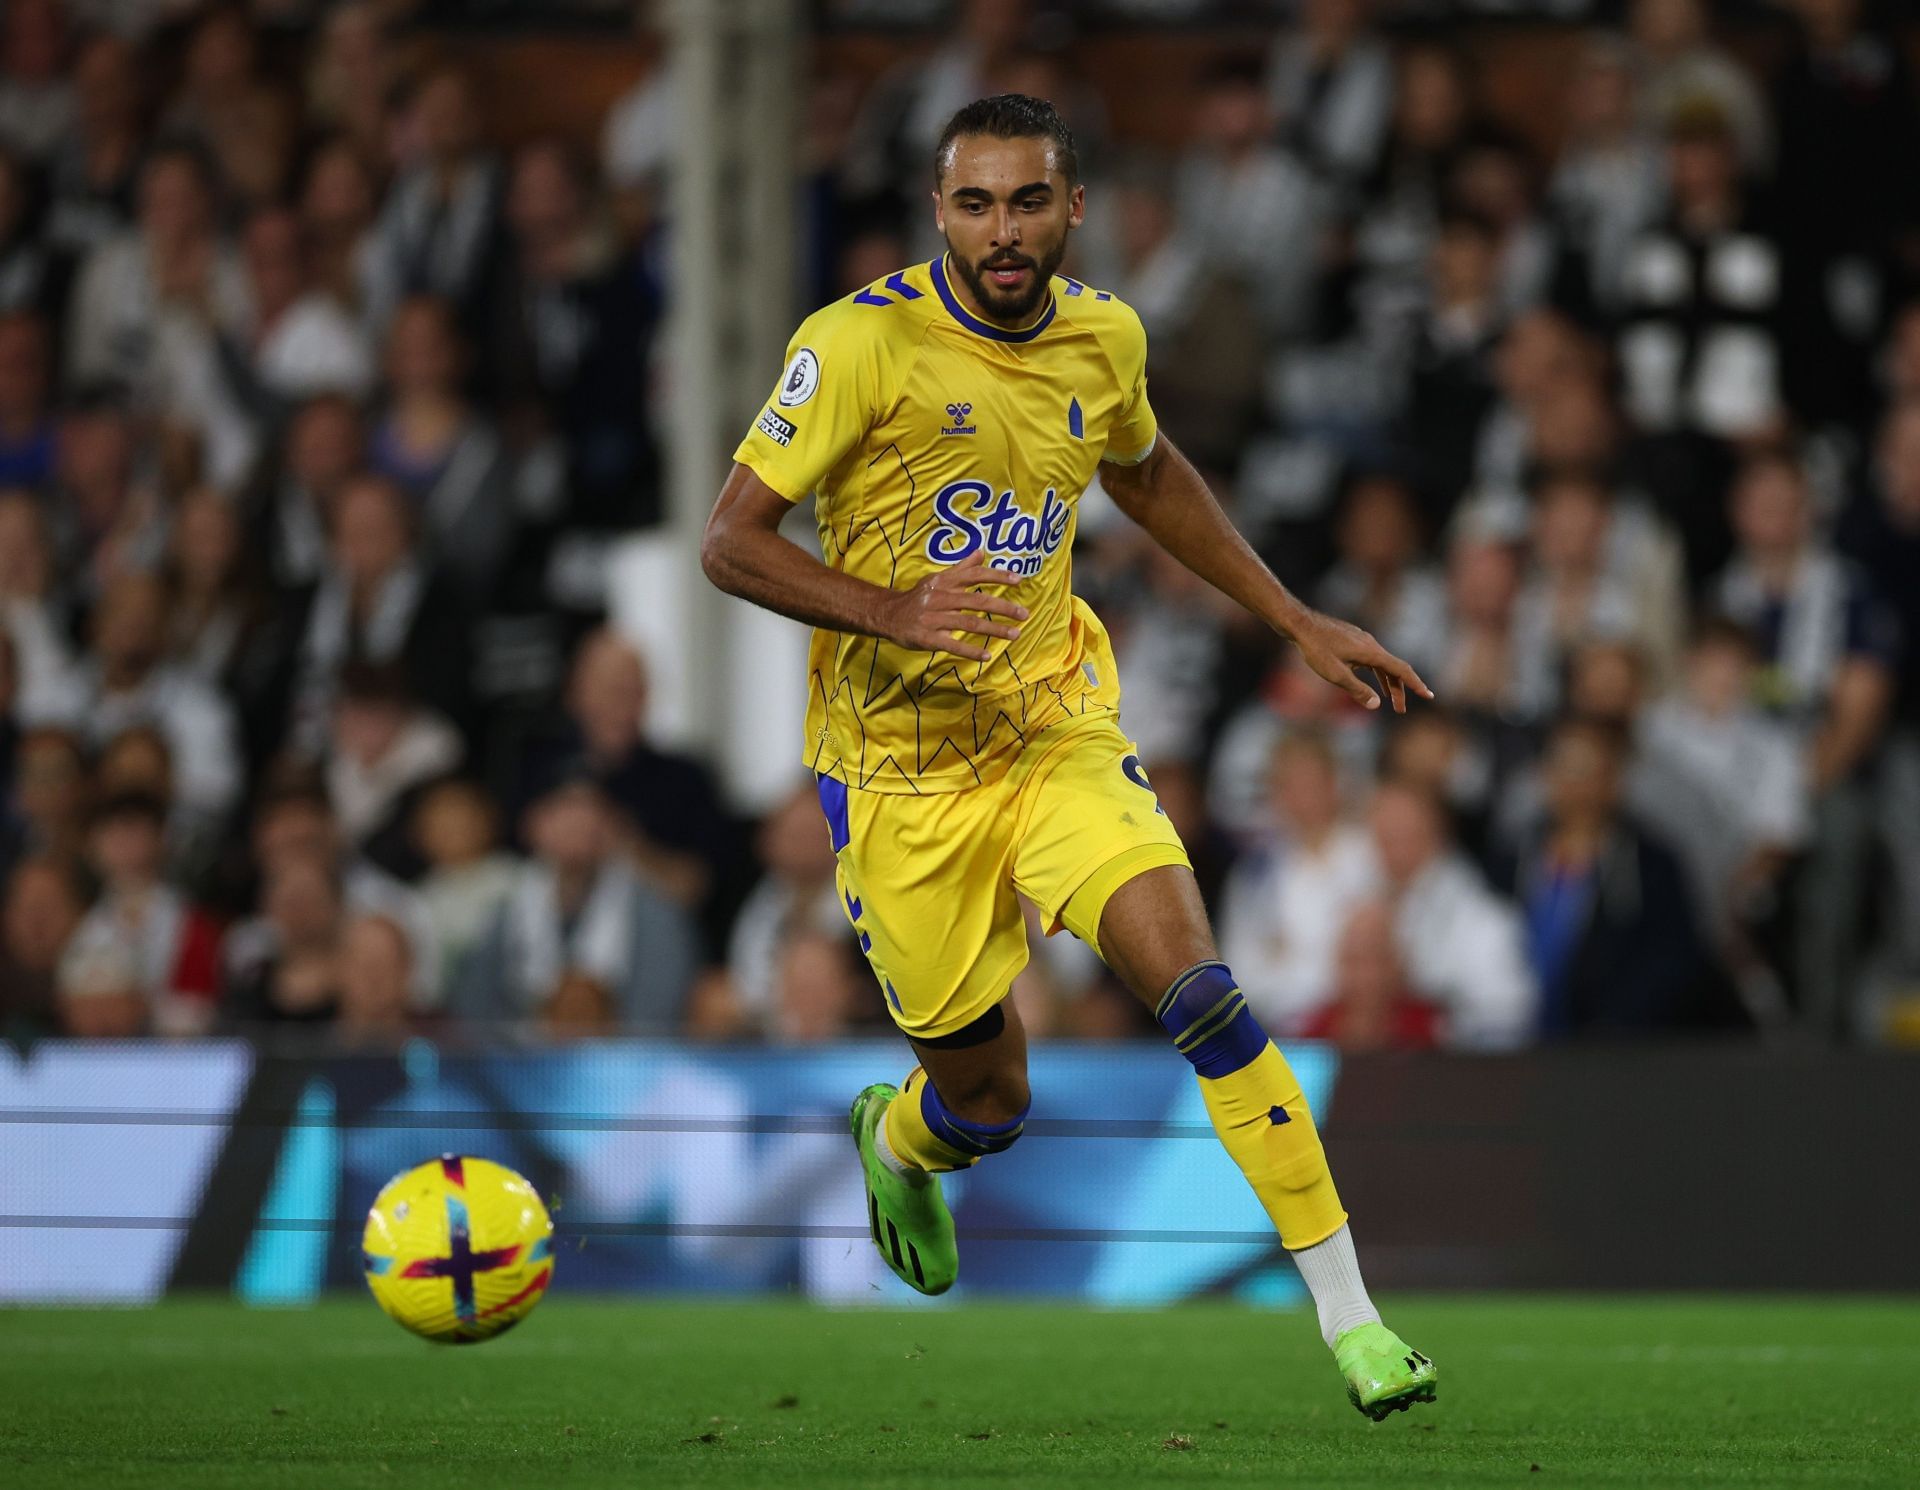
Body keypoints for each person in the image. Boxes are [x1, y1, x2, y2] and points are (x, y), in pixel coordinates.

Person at [701, 94, 1436, 1417]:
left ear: (1072, 208)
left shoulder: (1104, 334)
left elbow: (1147, 474)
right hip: (899, 780)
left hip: (1054, 734)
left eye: (1028, 201)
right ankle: (903, 1139)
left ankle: (1355, 1320)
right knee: (986, 1099)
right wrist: (886, 607)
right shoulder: (858, 345)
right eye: (974, 202)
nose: (1002, 230)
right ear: (940, 211)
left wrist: (1293, 614)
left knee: (1204, 995)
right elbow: (729, 539)